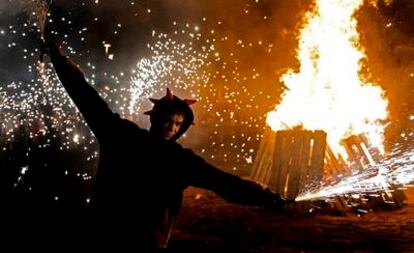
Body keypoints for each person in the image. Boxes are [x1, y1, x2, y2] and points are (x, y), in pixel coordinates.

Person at [41, 41, 288, 252]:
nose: (172, 127)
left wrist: (262, 196)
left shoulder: (143, 144)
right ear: (155, 118)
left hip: (115, 240)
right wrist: (58, 59)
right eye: (168, 121)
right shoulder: (126, 137)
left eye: (178, 124)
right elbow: (84, 94)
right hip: (122, 241)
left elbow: (224, 183)